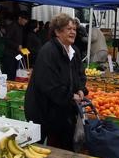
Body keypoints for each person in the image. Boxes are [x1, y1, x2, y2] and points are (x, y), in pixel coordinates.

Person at [25, 13, 88, 150]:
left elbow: (80, 75)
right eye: (68, 29)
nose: (73, 32)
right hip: (43, 110)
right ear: (57, 32)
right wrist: (70, 96)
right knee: (42, 150)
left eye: (74, 29)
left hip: (63, 109)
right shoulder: (48, 52)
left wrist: (81, 89)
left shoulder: (74, 52)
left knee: (64, 146)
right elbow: (48, 84)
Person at [2, 12, 28, 80]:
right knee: (10, 73)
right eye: (25, 19)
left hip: (17, 54)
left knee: (16, 72)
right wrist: (17, 46)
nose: (26, 21)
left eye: (26, 20)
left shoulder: (21, 27)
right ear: (20, 18)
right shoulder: (12, 26)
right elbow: (7, 40)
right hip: (9, 55)